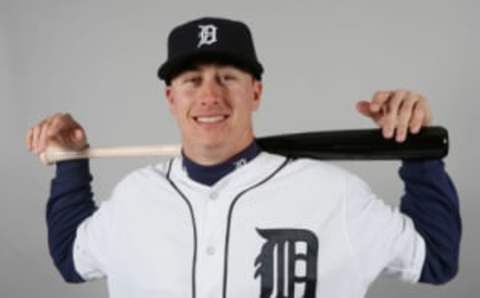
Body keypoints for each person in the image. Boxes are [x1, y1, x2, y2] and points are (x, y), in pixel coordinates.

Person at [26, 17, 461, 298]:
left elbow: (436, 258)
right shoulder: (135, 198)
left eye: (228, 77)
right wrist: (71, 160)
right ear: (170, 97)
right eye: (192, 80)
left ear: (256, 92)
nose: (210, 95)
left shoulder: (333, 194)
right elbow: (71, 257)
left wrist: (416, 148)